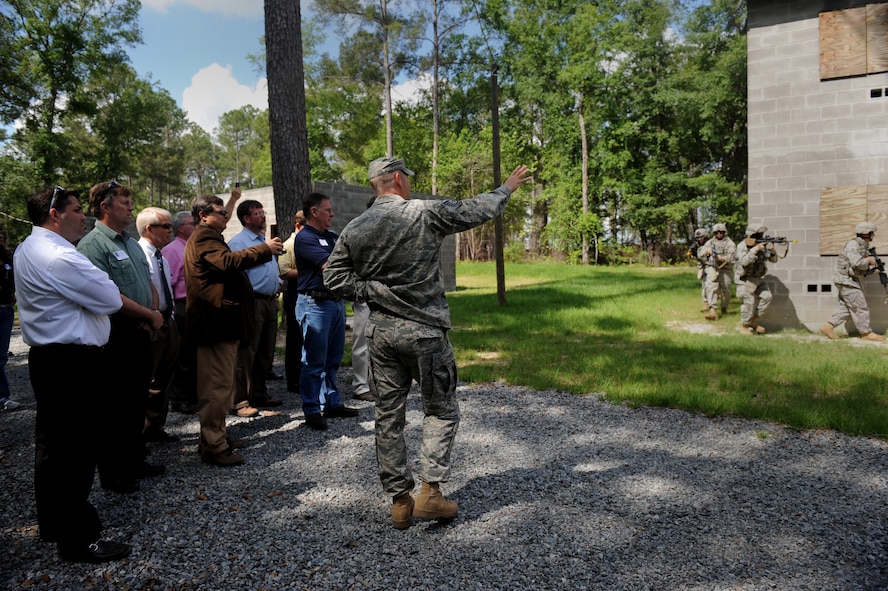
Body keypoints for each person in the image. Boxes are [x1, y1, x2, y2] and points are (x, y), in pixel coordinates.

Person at [324, 157, 532, 529]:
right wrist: (507, 188)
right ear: (399, 179)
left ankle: (400, 502)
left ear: (376, 184)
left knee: (388, 416)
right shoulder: (422, 212)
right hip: (425, 333)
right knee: (440, 410)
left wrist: (369, 289)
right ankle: (430, 493)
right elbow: (474, 210)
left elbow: (333, 277)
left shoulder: (355, 227)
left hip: (382, 335)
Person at [15, 186, 133, 562]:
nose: (83, 216)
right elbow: (112, 299)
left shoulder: (26, 248)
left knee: (54, 447)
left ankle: (54, 523)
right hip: (72, 363)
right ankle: (79, 538)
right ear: (55, 213)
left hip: (50, 360)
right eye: (77, 210)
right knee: (76, 450)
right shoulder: (57, 256)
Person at [77, 181, 165, 493]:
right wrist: (147, 315)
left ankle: (135, 458)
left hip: (141, 328)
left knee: (137, 399)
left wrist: (152, 310)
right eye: (125, 202)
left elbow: (148, 282)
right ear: (105, 206)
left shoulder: (129, 243)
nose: (131, 207)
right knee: (114, 406)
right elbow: (105, 294)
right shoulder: (93, 246)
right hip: (115, 336)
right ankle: (114, 473)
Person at [185, 193, 284, 466]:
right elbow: (226, 263)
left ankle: (214, 438)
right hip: (215, 325)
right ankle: (214, 447)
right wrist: (266, 249)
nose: (224, 215)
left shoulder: (209, 236)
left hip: (222, 325)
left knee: (219, 386)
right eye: (219, 211)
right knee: (216, 388)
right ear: (203, 216)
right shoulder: (205, 236)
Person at [295, 192, 359, 431]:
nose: (332, 214)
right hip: (315, 305)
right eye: (328, 210)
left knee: (333, 357)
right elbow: (329, 267)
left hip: (334, 303)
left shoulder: (331, 237)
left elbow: (349, 261)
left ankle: (331, 402)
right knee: (313, 360)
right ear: (314, 212)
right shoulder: (305, 238)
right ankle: (312, 409)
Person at [228, 199, 283, 409]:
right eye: (257, 213)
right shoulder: (239, 244)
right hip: (252, 303)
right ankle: (241, 400)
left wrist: (275, 295)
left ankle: (260, 394)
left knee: (265, 353)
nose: (263, 216)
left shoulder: (265, 240)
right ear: (246, 219)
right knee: (247, 352)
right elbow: (236, 277)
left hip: (269, 303)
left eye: (263, 212)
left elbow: (271, 271)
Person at [136, 207, 180, 443]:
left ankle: (154, 426)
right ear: (149, 229)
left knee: (165, 377)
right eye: (166, 226)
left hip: (167, 320)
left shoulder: (161, 255)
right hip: (150, 322)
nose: (170, 231)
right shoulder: (139, 254)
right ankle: (139, 432)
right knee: (147, 378)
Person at [820, 222, 885, 342]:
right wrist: (869, 260)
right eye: (872, 233)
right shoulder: (853, 245)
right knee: (860, 306)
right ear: (867, 233)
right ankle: (866, 333)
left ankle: (828, 327)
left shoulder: (861, 245)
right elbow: (857, 263)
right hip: (846, 280)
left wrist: (871, 270)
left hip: (848, 279)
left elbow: (856, 267)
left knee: (847, 307)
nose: (874, 235)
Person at [164, 211, 199, 414]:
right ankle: (179, 399)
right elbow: (169, 282)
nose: (195, 226)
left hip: (194, 305)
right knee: (183, 355)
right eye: (191, 223)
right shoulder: (172, 250)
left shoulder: (190, 247)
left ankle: (192, 395)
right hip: (181, 305)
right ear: (181, 228)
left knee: (193, 354)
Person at [278, 210, 306, 393]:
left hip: (308, 293)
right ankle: (293, 379)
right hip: (294, 293)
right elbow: (284, 272)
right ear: (297, 225)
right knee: (295, 338)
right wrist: (308, 270)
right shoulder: (289, 245)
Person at [735, 225, 778, 335]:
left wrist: (771, 250)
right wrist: (755, 250)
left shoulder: (762, 246)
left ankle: (754, 322)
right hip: (745, 279)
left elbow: (774, 260)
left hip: (758, 278)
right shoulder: (742, 246)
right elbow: (744, 261)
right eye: (757, 236)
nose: (759, 238)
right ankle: (744, 325)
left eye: (760, 235)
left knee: (767, 296)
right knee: (749, 301)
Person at [697, 222, 735, 320]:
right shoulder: (709, 243)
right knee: (711, 287)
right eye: (716, 232)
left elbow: (733, 257)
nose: (719, 234)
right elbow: (700, 254)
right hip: (712, 268)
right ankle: (712, 311)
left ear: (724, 232)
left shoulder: (730, 243)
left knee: (726, 290)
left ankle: (724, 307)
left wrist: (720, 258)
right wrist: (706, 251)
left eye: (721, 232)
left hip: (726, 269)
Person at [0, 228, 19, 411]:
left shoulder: (9, 259)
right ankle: (3, 396)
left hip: (6, 310)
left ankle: (3, 397)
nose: (2, 240)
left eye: (3, 237)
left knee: (2, 355)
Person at [690, 228, 710, 314]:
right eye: (697, 238)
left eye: (701, 237)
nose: (699, 239)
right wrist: (693, 253)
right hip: (703, 268)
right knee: (704, 286)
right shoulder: (697, 246)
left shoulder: (711, 244)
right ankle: (706, 303)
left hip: (713, 267)